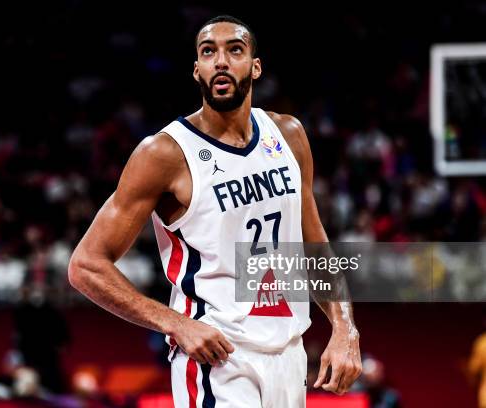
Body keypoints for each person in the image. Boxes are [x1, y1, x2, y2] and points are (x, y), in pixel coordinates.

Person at [68, 15, 361, 407]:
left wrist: (344, 328)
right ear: (197, 70)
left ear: (255, 67)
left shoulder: (288, 135)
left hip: (289, 355)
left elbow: (313, 246)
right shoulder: (165, 154)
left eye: (234, 50)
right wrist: (175, 324)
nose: (220, 61)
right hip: (217, 358)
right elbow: (85, 265)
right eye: (208, 52)